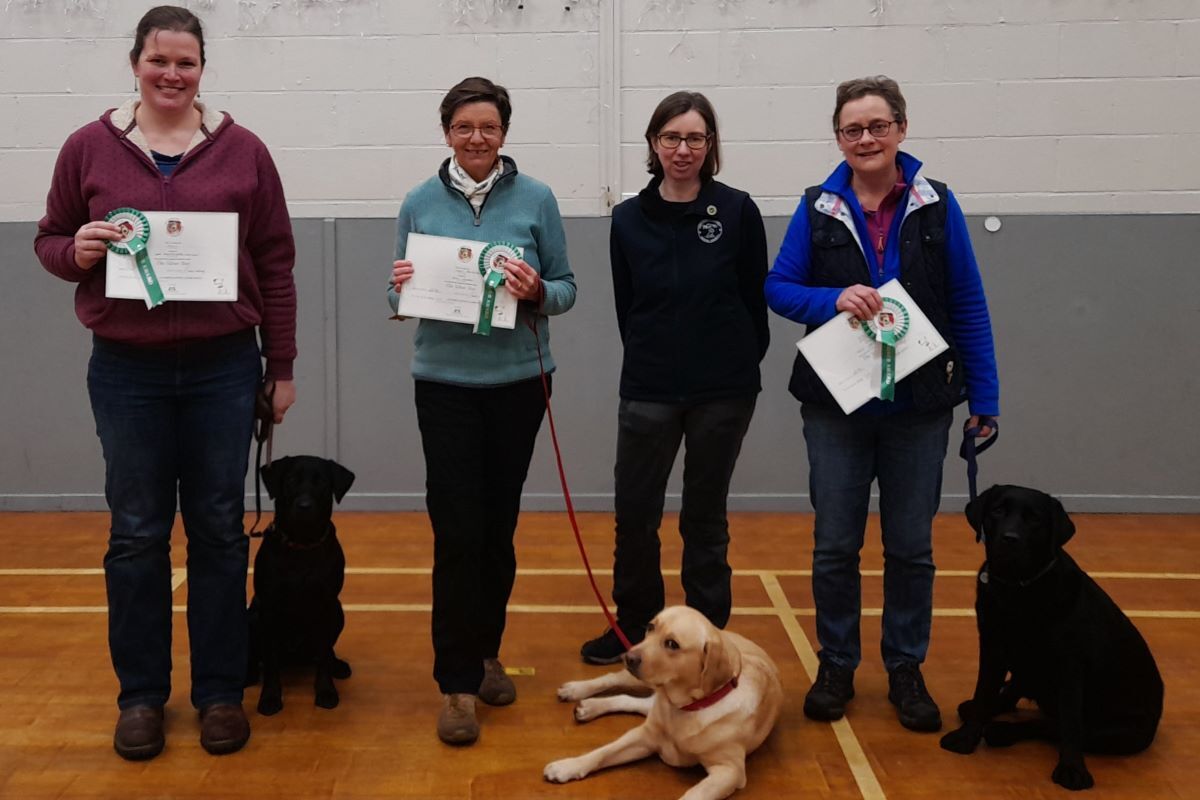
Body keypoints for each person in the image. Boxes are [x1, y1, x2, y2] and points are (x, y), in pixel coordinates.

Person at [34, 5, 297, 760]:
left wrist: (280, 367)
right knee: (137, 535)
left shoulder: (244, 151)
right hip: (127, 371)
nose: (171, 74)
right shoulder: (87, 147)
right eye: (159, 60)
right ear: (135, 64)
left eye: (185, 62)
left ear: (202, 69)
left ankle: (218, 694)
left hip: (223, 367)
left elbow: (276, 262)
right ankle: (142, 698)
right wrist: (75, 250)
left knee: (218, 531)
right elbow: (50, 239)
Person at [764, 76, 999, 733]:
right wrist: (829, 300)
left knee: (911, 549)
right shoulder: (817, 207)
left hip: (921, 409)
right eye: (852, 129)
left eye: (877, 126)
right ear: (838, 137)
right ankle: (836, 664)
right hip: (835, 409)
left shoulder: (936, 203)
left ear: (900, 128)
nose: (865, 139)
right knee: (834, 546)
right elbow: (779, 287)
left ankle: (905, 668)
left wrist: (986, 393)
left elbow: (968, 302)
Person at [387, 76, 577, 746]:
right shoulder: (417, 200)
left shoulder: (537, 199)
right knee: (457, 533)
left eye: (488, 128)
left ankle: (489, 651)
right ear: (447, 132)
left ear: (504, 134)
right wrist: (399, 286)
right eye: (464, 127)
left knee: (497, 531)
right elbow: (399, 293)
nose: (476, 138)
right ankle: (457, 685)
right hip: (444, 387)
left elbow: (566, 288)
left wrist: (535, 290)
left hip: (520, 384)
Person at [580, 91, 769, 665]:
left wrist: (733, 366)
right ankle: (634, 628)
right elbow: (627, 306)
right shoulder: (628, 218)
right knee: (634, 514)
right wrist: (652, 359)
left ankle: (706, 634)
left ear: (710, 146)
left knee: (703, 516)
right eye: (671, 138)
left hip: (723, 393)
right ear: (653, 145)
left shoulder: (737, 211)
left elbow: (753, 303)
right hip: (648, 389)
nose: (682, 149)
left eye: (694, 138)